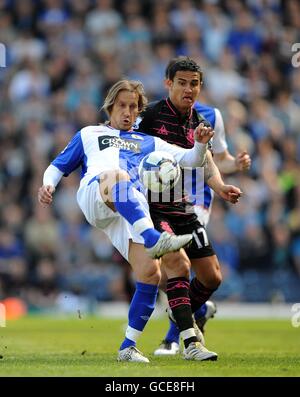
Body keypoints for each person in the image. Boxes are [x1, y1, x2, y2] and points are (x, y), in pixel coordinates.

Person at [38, 79, 239, 362]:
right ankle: (154, 238)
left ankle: (128, 346)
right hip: (98, 192)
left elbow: (190, 159)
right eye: (122, 105)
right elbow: (57, 166)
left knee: (151, 273)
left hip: (129, 210)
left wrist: (201, 144)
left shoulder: (149, 142)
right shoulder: (89, 134)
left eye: (133, 107)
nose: (127, 112)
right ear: (110, 106)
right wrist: (48, 185)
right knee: (118, 177)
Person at [134, 57, 251, 355]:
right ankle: (189, 342)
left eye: (194, 84)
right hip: (153, 206)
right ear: (168, 83)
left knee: (212, 276)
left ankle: (181, 310)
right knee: (178, 265)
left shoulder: (201, 121)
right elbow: (125, 150)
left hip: (183, 206)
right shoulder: (148, 116)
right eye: (182, 83)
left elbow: (207, 162)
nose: (189, 89)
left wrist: (222, 186)